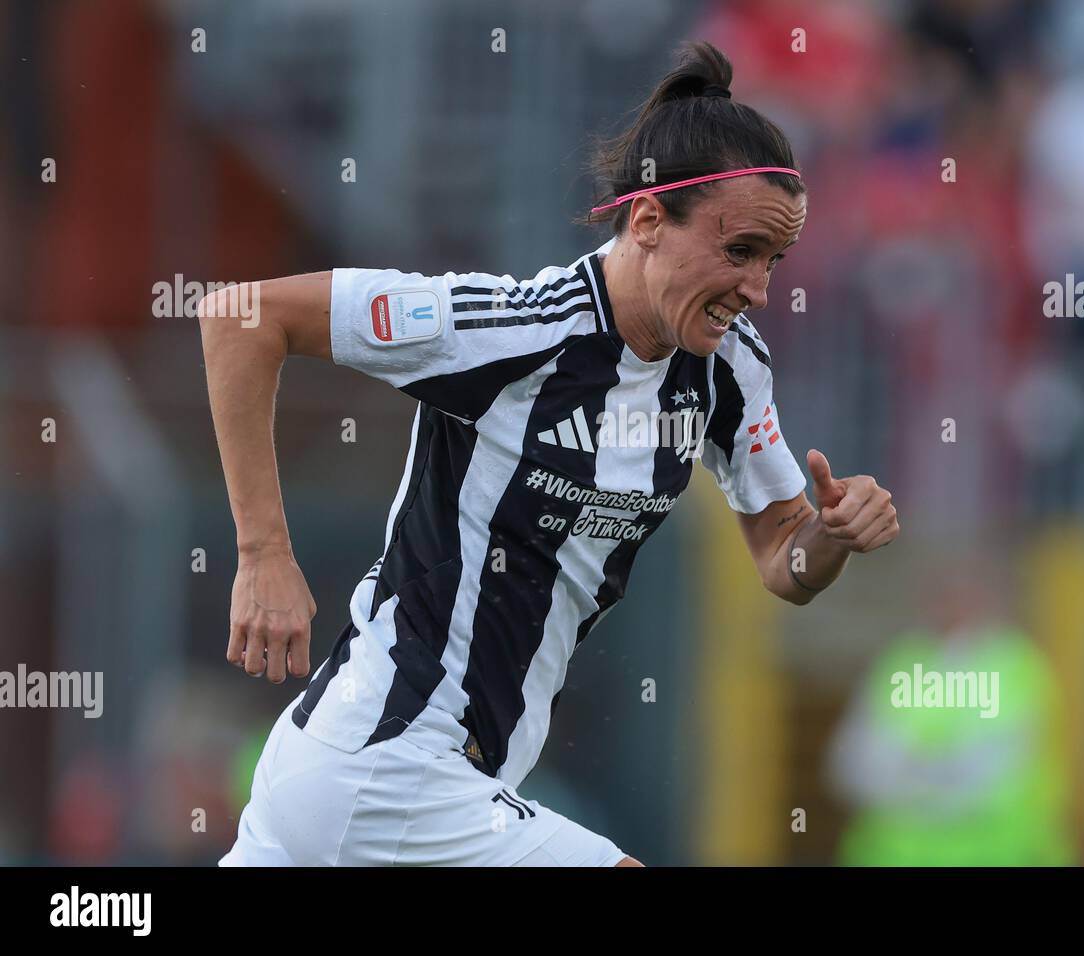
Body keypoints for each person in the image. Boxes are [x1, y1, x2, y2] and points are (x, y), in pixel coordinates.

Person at [203, 40, 899, 867]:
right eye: (739, 251)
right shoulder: (513, 328)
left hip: (402, 783)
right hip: (382, 761)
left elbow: (787, 564)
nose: (758, 288)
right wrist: (262, 553)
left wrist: (832, 533)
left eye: (774, 261)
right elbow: (241, 319)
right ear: (646, 220)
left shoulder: (729, 367)